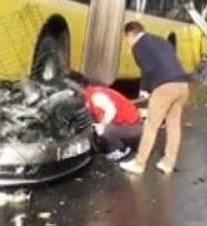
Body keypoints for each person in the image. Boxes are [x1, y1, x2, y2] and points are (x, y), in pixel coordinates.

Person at [118, 21, 190, 175]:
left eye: (125, 39)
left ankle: (139, 163)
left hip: (164, 86)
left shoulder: (138, 46)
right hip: (182, 84)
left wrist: (144, 89)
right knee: (174, 125)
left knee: (151, 125)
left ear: (131, 34)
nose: (126, 43)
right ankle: (168, 163)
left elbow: (147, 68)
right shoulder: (161, 41)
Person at [70, 73, 143, 161]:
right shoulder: (89, 94)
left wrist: (102, 125)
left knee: (106, 129)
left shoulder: (95, 96)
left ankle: (120, 149)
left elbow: (111, 110)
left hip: (134, 127)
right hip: (126, 124)